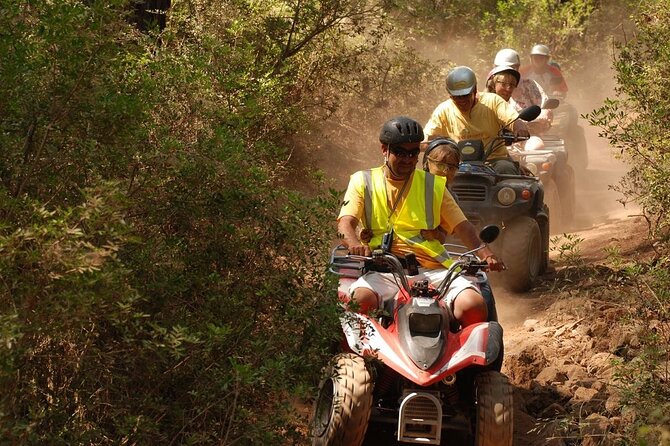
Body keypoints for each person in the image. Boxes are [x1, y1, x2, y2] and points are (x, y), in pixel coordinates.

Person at [338, 116, 504, 328]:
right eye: (400, 152)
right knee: (359, 301)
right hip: (383, 270)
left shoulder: (433, 185)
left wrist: (486, 254)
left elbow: (464, 228)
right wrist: (354, 244)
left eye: (413, 153)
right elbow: (345, 223)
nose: (408, 159)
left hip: (433, 270)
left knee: (474, 306)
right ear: (384, 149)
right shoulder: (362, 180)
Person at [424, 66, 529, 175]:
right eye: (457, 97)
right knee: (435, 173)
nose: (462, 100)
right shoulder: (443, 110)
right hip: (458, 164)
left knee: (506, 168)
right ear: (450, 95)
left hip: (493, 161)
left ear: (474, 90)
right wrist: (421, 143)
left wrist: (519, 127)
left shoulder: (493, 101)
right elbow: (426, 137)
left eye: (466, 95)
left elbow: (514, 119)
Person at [493, 48, 552, 128]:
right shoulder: (491, 87)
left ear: (517, 67)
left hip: (529, 132)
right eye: (502, 70)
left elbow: (544, 106)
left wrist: (543, 115)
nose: (507, 73)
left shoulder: (529, 85)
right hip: (499, 133)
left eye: (510, 69)